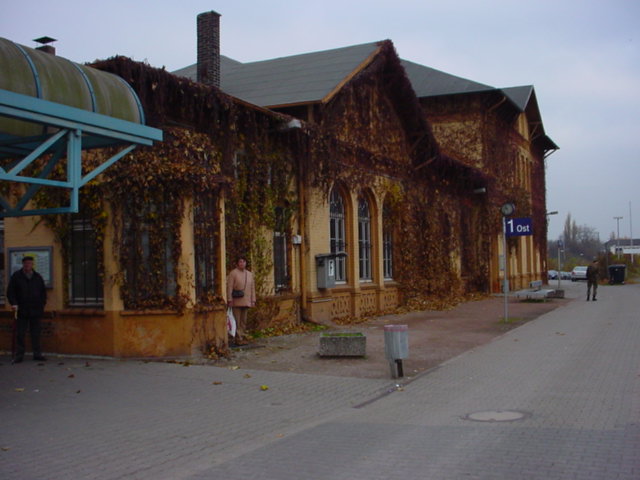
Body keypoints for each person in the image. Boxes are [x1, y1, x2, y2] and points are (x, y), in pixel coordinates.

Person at [7, 256, 47, 362]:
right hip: (21, 310)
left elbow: (43, 293)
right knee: (20, 333)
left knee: (36, 333)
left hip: (35, 310)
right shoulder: (16, 277)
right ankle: (19, 355)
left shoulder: (38, 277)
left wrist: (41, 305)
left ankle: (37, 354)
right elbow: (11, 292)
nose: (27, 265)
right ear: (23, 264)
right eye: (26, 263)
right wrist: (14, 303)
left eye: (29, 263)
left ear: (32, 264)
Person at [226, 256, 256, 345]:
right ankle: (238, 338)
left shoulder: (250, 274)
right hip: (236, 301)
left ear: (246, 263)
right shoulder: (233, 273)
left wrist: (253, 300)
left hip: (246, 301)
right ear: (237, 263)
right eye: (240, 262)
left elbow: (252, 288)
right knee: (237, 320)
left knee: (244, 320)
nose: (242, 263)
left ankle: (242, 335)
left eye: (243, 262)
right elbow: (229, 287)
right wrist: (229, 299)